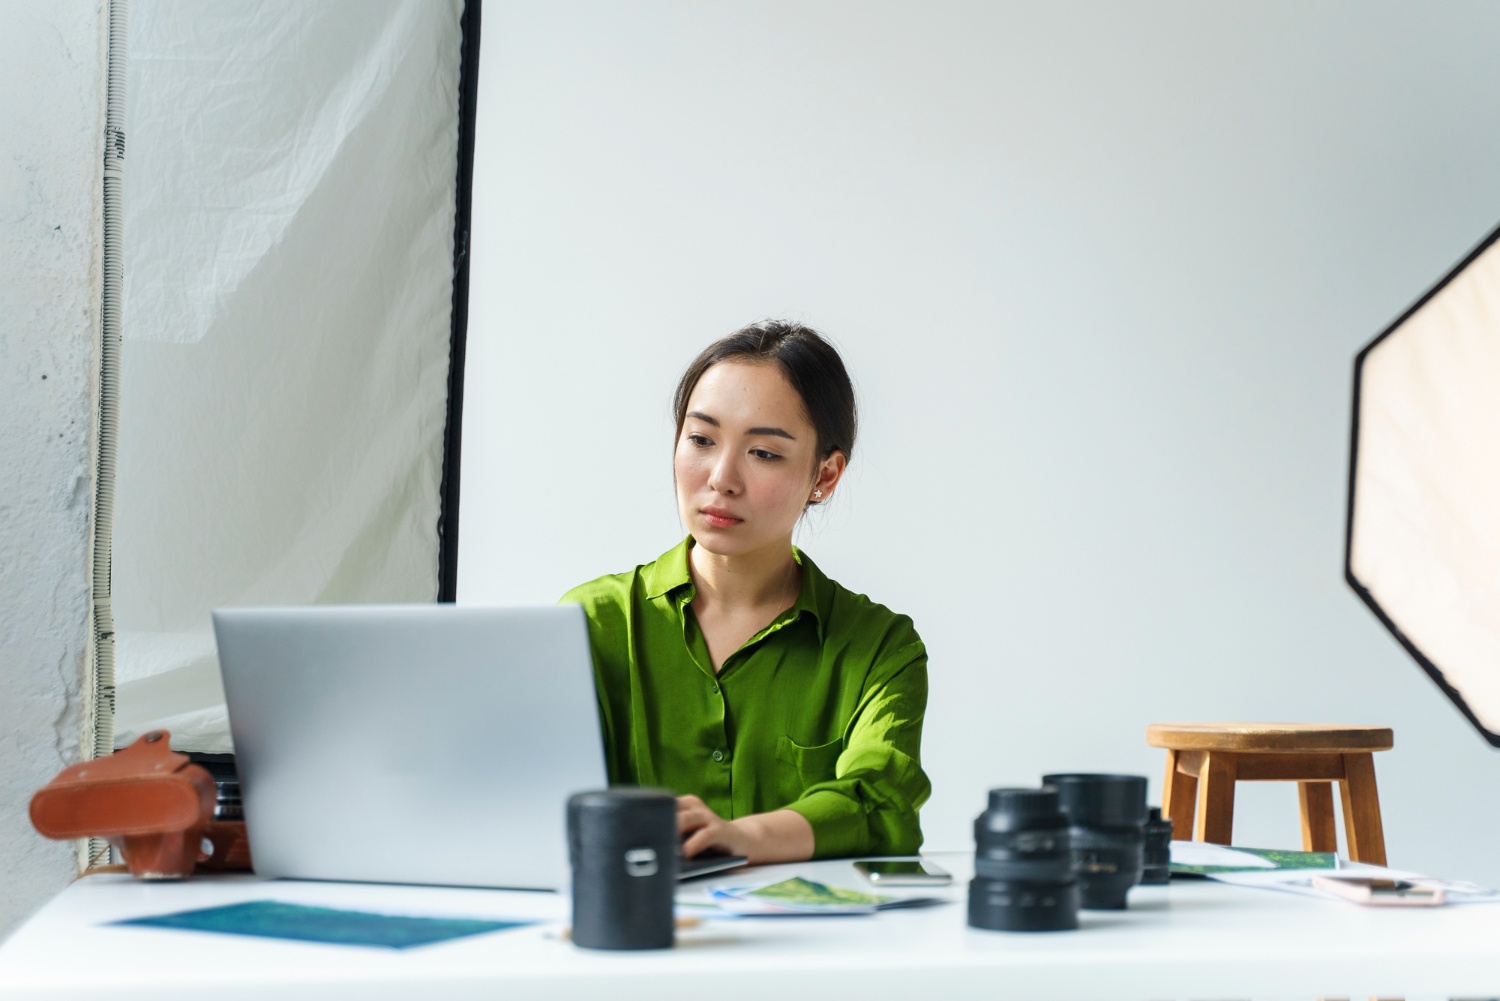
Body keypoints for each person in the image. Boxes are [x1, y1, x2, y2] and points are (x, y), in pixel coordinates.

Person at [561, 320, 930, 864]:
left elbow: (882, 800)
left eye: (764, 453)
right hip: (631, 932)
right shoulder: (591, 622)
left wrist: (745, 839)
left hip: (808, 944)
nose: (721, 478)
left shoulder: (879, 647)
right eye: (702, 440)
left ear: (824, 476)